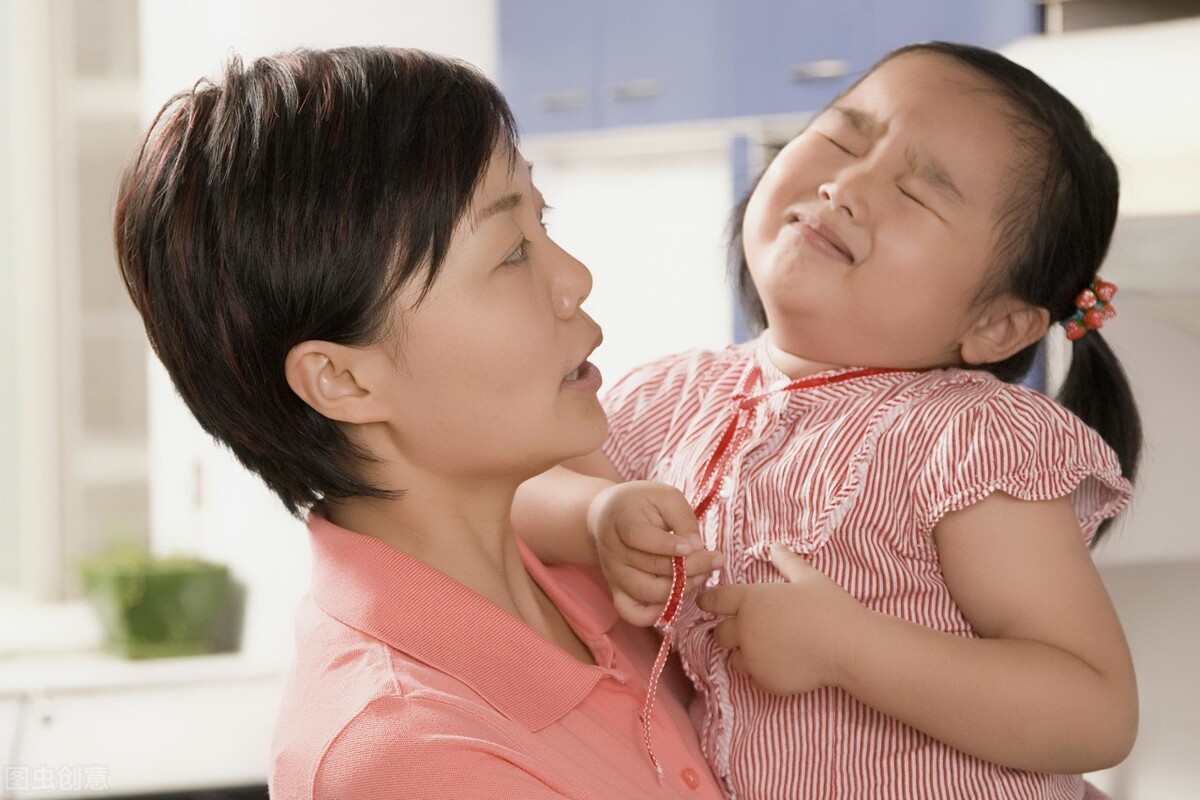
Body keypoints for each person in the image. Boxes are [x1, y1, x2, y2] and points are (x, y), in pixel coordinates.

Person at [514, 41, 1142, 799]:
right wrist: (596, 514)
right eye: (843, 138)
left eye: (918, 194)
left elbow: (1092, 710)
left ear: (1000, 326)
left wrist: (850, 648)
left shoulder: (967, 440)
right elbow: (507, 497)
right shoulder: (668, 396)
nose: (846, 185)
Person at [112, 46, 726, 799]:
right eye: (510, 253)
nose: (574, 278)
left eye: (544, 216)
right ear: (342, 379)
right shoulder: (410, 758)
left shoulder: (593, 560)